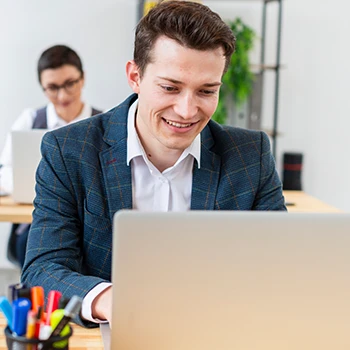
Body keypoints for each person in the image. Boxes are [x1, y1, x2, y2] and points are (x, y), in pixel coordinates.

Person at [21, 1, 286, 328]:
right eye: (170, 88)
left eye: (206, 91)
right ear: (135, 76)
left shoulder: (251, 155)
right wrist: (110, 300)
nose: (187, 110)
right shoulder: (68, 150)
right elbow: (43, 269)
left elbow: (279, 267)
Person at [0, 44, 102, 267]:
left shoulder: (102, 124)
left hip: (89, 223)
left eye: (70, 84)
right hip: (38, 220)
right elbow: (4, 170)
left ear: (82, 79)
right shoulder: (30, 119)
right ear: (42, 87)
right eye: (52, 87)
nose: (62, 95)